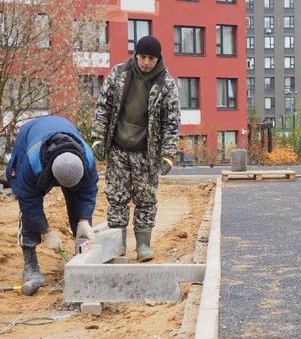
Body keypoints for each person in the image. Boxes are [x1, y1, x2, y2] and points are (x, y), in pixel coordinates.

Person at [91, 35, 180, 262]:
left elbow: (171, 122)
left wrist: (168, 155)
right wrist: (98, 139)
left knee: (146, 199)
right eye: (142, 57)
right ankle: (118, 245)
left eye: (151, 58)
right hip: (118, 148)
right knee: (117, 198)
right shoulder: (119, 74)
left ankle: (142, 246)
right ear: (136, 55)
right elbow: (103, 106)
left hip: (146, 152)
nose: (146, 62)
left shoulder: (166, 84)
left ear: (158, 58)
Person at [6, 116, 99, 295]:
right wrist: (46, 232)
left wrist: (84, 220)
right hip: (29, 137)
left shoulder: (87, 159)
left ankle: (82, 257)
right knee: (29, 212)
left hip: (61, 133)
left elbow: (87, 191)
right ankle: (30, 264)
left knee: (79, 207)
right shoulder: (32, 164)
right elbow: (28, 202)